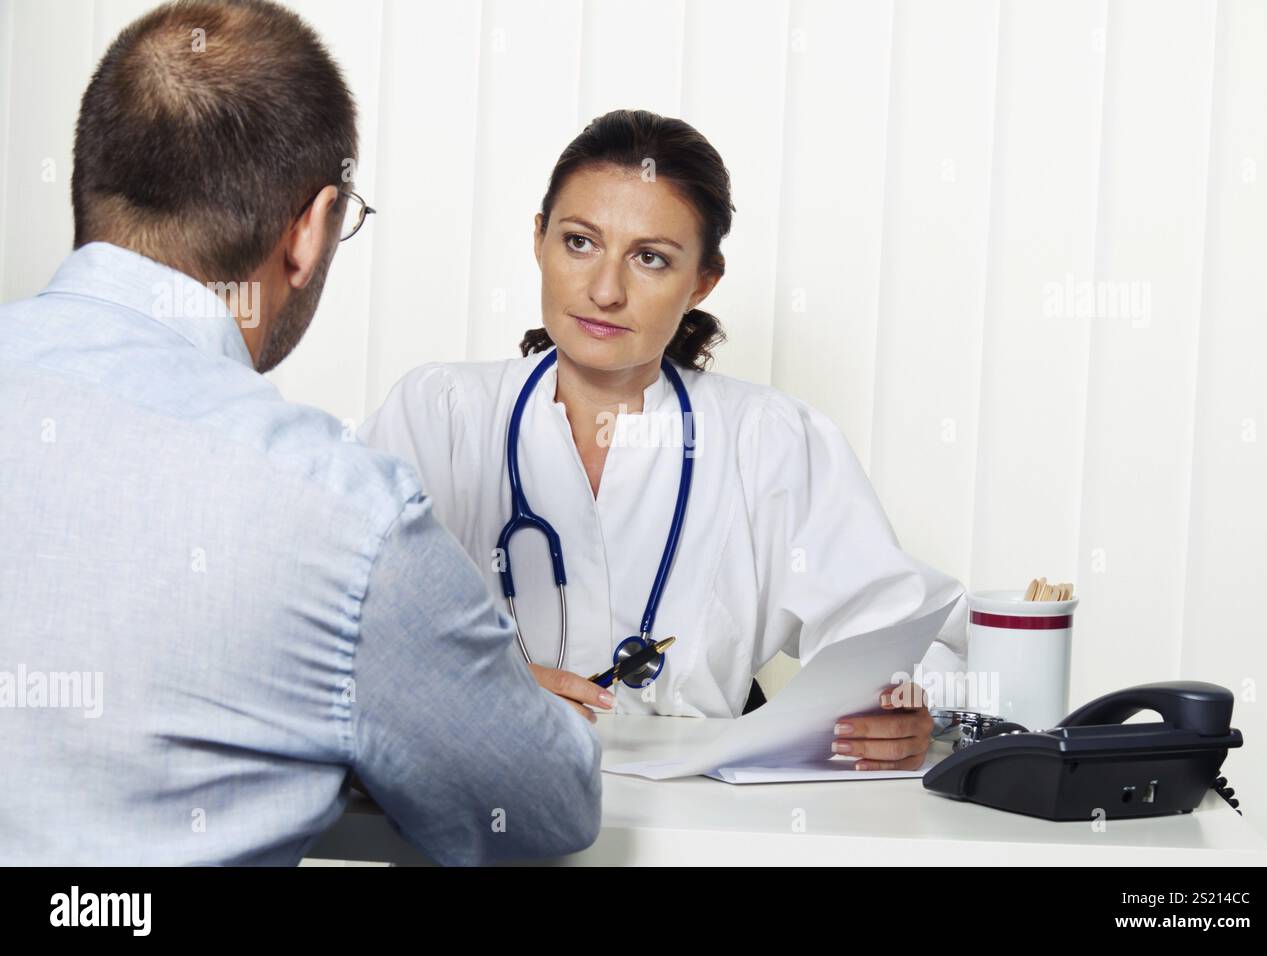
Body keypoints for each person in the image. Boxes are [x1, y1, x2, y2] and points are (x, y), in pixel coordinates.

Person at [0, 0, 600, 865]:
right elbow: (543, 807)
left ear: (87, 183)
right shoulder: (348, 517)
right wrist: (426, 707)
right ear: (310, 231)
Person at [360, 109, 968, 772]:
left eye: (650, 258)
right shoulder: (440, 415)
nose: (604, 290)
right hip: (478, 804)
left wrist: (911, 703)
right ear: (539, 241)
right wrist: (468, 688)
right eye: (579, 242)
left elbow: (912, 634)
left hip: (696, 821)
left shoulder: (768, 442)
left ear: (703, 281)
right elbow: (332, 621)